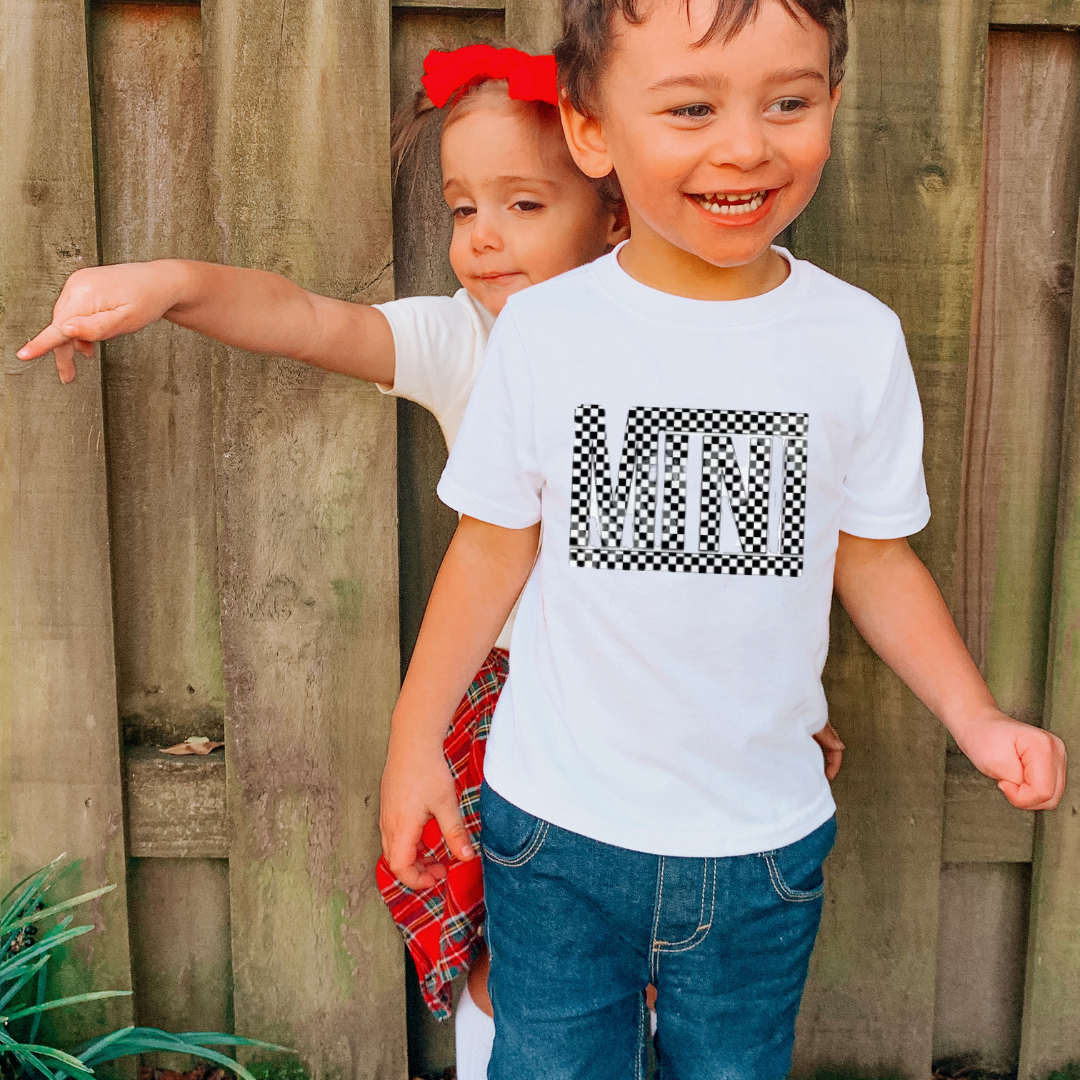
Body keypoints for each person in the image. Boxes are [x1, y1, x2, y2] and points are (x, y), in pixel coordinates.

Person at [18, 40, 843, 1078]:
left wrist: (785, 710)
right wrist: (166, 282)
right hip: (518, 710)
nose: (483, 241)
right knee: (516, 956)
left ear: (619, 206)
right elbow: (306, 320)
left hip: (686, 712)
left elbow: (751, 557)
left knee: (673, 962)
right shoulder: (471, 343)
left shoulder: (704, 344)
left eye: (524, 207)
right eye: (463, 210)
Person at [377, 2, 1069, 1078]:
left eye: (788, 101)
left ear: (832, 105)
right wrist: (415, 740)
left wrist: (974, 717)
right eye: (691, 107)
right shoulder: (549, 333)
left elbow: (874, 556)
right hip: (554, 833)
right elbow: (488, 550)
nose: (746, 144)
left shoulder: (855, 341)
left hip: (760, 849)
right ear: (592, 132)